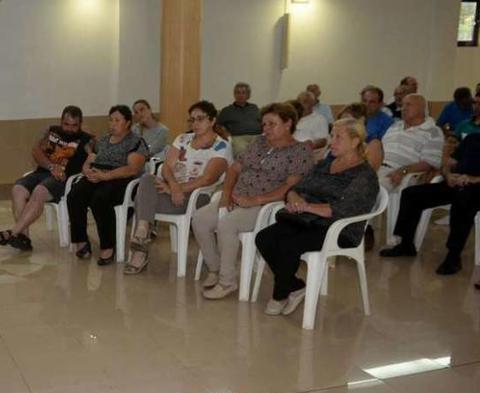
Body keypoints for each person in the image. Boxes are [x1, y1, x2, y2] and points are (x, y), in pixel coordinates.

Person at [255, 118, 379, 316]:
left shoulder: (364, 176)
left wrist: (306, 206)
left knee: (288, 245)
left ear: (355, 142)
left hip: (339, 228)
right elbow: (299, 187)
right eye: (332, 136)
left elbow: (341, 210)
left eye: (339, 137)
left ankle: (279, 294)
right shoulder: (326, 163)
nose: (333, 142)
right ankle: (295, 286)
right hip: (306, 219)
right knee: (264, 238)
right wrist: (294, 197)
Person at [192, 102, 314, 299]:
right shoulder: (258, 142)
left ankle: (227, 281)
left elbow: (289, 187)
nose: (265, 129)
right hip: (237, 197)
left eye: (271, 124)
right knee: (200, 218)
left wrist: (254, 200)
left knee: (227, 224)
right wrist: (225, 196)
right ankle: (215, 268)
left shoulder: (300, 152)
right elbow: (234, 169)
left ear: (288, 123)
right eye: (264, 124)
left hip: (266, 205)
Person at [124, 101, 231, 274]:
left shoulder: (221, 146)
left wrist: (177, 189)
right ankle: (143, 230)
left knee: (141, 201)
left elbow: (207, 178)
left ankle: (140, 249)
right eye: (192, 120)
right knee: (147, 179)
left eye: (200, 119)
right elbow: (167, 167)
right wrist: (173, 186)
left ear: (212, 121)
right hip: (174, 191)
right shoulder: (183, 139)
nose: (195, 124)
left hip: (198, 197)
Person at [0, 106, 94, 250]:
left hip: (63, 179)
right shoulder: (52, 132)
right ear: (61, 121)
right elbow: (36, 151)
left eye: (74, 125)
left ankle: (13, 232)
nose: (70, 129)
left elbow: (93, 158)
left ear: (80, 123)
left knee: (39, 191)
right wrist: (51, 166)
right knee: (18, 189)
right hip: (43, 172)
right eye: (66, 124)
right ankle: (24, 238)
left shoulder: (86, 139)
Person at [379, 132, 480, 274]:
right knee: (411, 194)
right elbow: (449, 163)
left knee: (463, 201)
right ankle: (406, 244)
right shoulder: (473, 138)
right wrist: (448, 175)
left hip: (476, 188)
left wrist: (471, 179)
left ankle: (453, 256)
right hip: (456, 183)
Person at [68, 104, 149, 265]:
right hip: (98, 175)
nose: (112, 124)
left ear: (127, 123)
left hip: (121, 179)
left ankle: (107, 246)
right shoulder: (103, 140)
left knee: (100, 198)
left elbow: (133, 169)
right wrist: (87, 171)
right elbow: (89, 162)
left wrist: (106, 176)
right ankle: (81, 240)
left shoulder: (136, 141)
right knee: (75, 194)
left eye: (117, 120)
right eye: (110, 120)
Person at [377, 94, 444, 194]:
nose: (403, 108)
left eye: (408, 105)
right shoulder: (395, 126)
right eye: (403, 105)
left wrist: (403, 171)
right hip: (377, 168)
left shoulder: (433, 131)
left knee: (369, 189)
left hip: (398, 173)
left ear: (422, 108)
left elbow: (429, 163)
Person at [217, 82, 262, 158]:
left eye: (243, 93)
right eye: (238, 93)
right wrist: (225, 134)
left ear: (248, 95)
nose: (240, 95)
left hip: (257, 136)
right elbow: (217, 125)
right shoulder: (227, 110)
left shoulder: (254, 107)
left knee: (262, 151)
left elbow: (262, 122)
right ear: (234, 95)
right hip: (238, 137)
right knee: (243, 153)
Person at [337, 103, 383, 170]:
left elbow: (369, 171)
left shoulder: (373, 143)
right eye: (341, 123)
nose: (343, 126)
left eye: (347, 122)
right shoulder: (337, 141)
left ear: (361, 120)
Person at [294, 91, 329, 161]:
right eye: (299, 101)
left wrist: (304, 147)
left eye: (305, 102)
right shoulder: (292, 118)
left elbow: (323, 141)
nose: (301, 104)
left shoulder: (319, 119)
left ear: (312, 104)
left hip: (309, 155)